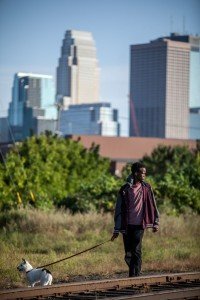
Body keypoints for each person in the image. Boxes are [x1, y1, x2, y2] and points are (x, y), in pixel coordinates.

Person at [111, 162, 159, 277]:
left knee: (136, 251)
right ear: (135, 173)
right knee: (128, 252)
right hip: (127, 225)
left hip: (139, 224)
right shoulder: (124, 189)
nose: (144, 175)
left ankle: (134, 276)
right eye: (142, 173)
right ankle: (133, 274)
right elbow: (118, 209)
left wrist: (155, 222)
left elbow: (153, 204)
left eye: (145, 173)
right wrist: (116, 229)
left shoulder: (147, 187)